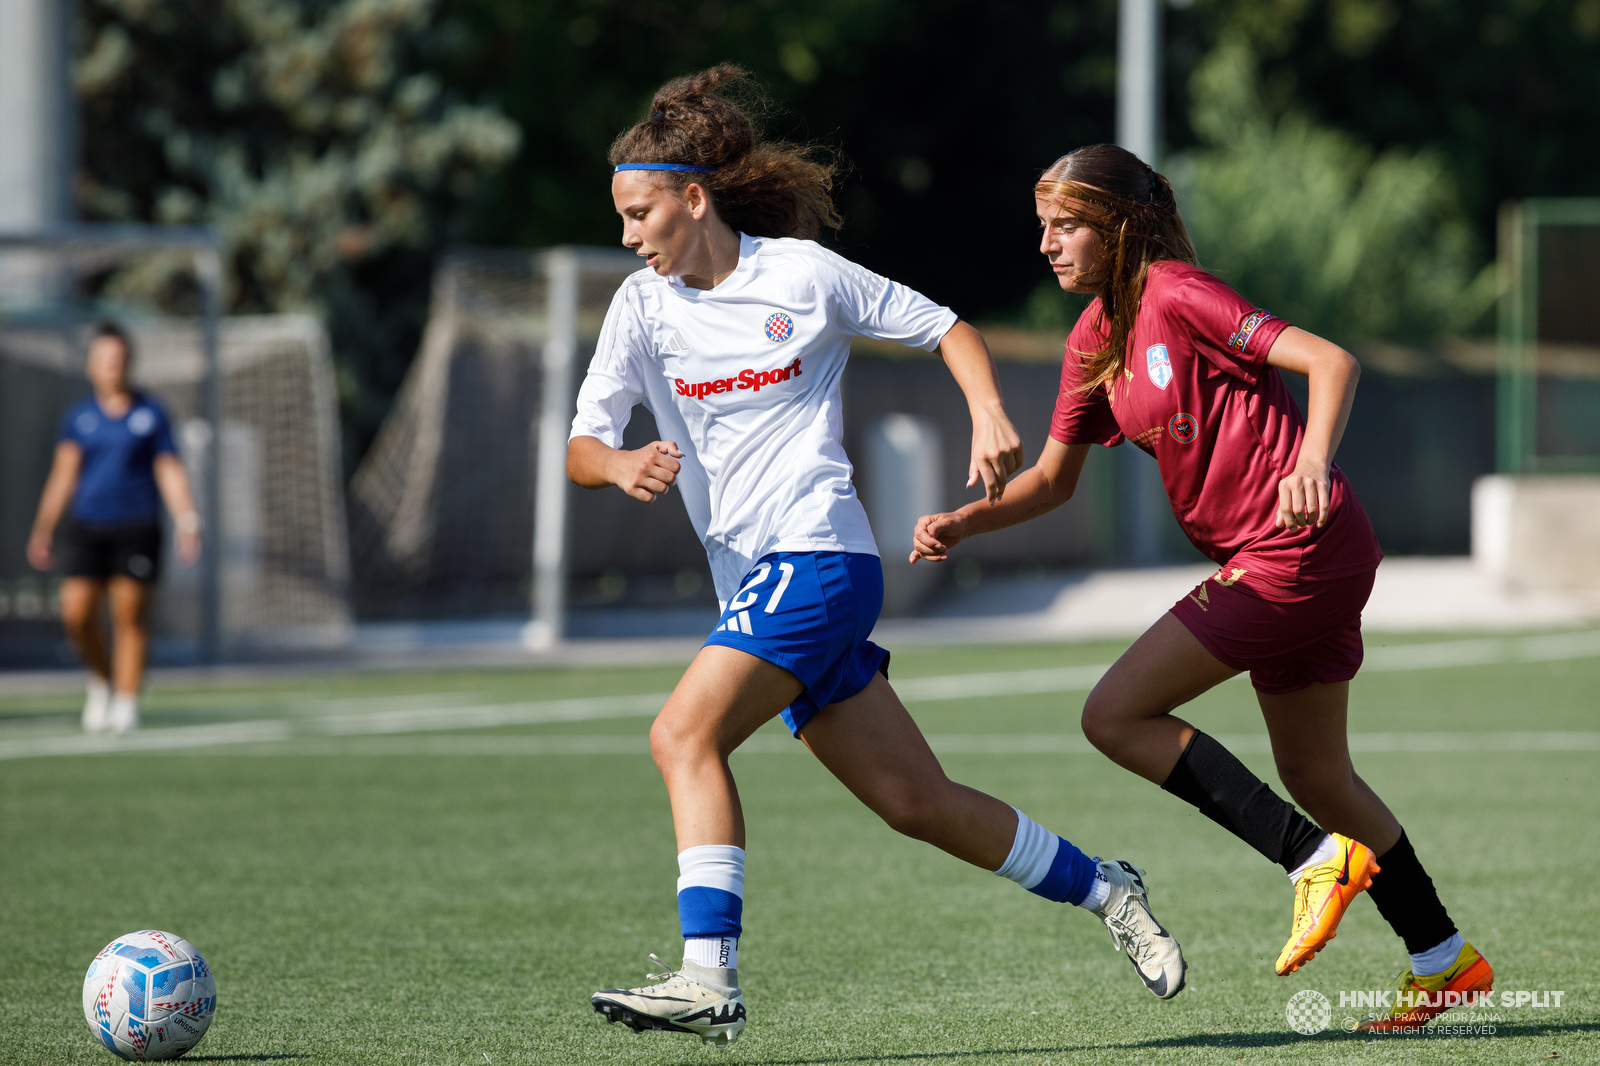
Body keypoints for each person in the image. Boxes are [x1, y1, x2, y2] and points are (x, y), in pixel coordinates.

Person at [572, 69, 1187, 1049]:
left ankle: (707, 976)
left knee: (681, 736)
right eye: (621, 218)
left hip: (819, 557)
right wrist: (616, 462)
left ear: (694, 198)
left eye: (640, 212)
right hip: (758, 586)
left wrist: (989, 410)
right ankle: (1107, 887)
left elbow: (947, 328)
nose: (628, 235)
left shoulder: (803, 277)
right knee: (916, 803)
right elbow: (581, 446)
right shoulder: (640, 309)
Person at [910, 144, 1491, 1032]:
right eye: (1042, 228)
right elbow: (1055, 482)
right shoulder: (1093, 339)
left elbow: (1332, 363)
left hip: (1299, 550)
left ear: (1119, 228)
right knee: (1317, 772)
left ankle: (1309, 861)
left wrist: (1309, 461)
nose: (1047, 246)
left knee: (1113, 714)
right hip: (1284, 561)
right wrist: (963, 521)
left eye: (1066, 227)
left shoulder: (1180, 292)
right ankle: (1444, 959)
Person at [27, 321, 202, 734]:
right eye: (104, 359)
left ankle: (125, 702)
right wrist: (43, 527)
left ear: (129, 363)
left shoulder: (151, 413)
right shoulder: (79, 418)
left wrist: (188, 519)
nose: (112, 367)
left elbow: (170, 470)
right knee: (77, 613)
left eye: (119, 359)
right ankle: (101, 680)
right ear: (91, 365)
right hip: (89, 526)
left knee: (129, 614)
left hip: (137, 525)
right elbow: (63, 475)